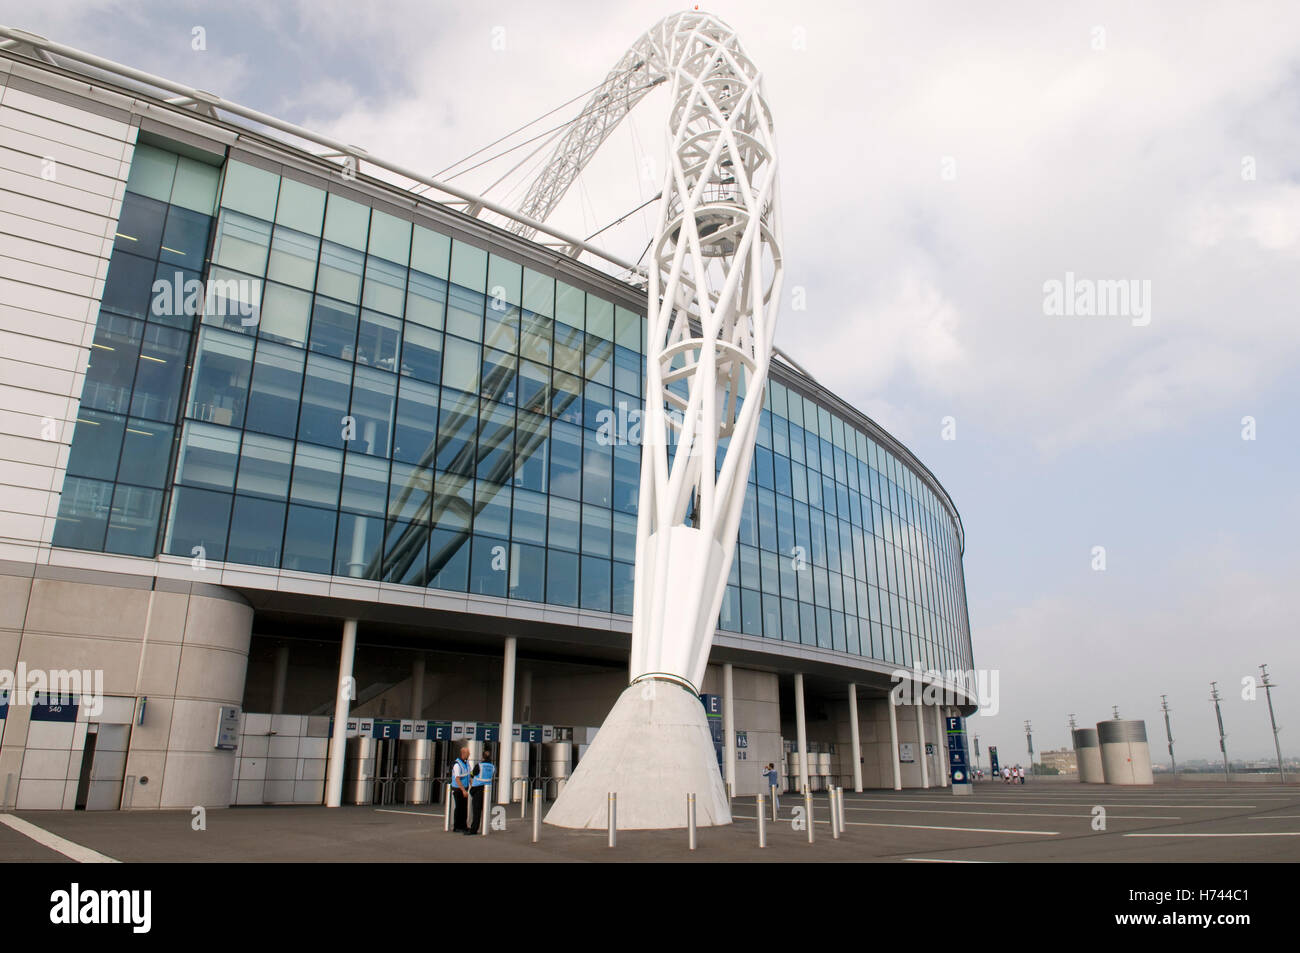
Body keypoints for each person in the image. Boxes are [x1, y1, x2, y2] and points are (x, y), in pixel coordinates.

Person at [468, 746, 496, 834]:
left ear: (482, 757)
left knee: (476, 810)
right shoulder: (492, 767)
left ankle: (474, 829)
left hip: (477, 789)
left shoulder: (479, 765)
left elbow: (472, 774)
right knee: (485, 809)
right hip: (487, 790)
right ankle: (484, 828)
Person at [450, 745, 472, 831]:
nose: (469, 754)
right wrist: (463, 790)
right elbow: (457, 778)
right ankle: (457, 826)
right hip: (458, 789)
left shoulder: (466, 763)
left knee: (464, 807)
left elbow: (469, 775)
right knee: (459, 807)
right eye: (468, 753)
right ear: (463, 753)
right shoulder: (457, 764)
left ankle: (464, 825)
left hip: (465, 788)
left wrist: (472, 785)